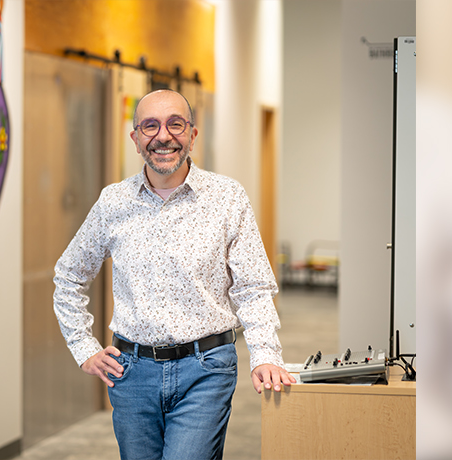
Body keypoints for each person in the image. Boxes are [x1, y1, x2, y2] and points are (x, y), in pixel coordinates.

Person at [52, 89, 294, 460]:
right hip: (131, 375)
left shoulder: (227, 198)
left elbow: (253, 287)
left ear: (192, 135)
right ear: (135, 139)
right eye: (150, 126)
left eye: (175, 124)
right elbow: (69, 277)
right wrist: (84, 348)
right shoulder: (113, 202)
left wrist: (265, 354)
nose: (163, 136)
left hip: (206, 370)